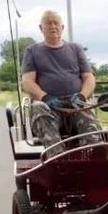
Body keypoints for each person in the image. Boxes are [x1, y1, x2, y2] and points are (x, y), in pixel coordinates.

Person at [20, 10, 102, 153]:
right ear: (41, 28)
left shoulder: (75, 49)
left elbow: (89, 78)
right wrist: (46, 98)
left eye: (56, 23)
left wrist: (82, 96)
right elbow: (27, 82)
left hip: (76, 104)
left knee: (87, 109)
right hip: (49, 107)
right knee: (39, 107)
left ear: (62, 27)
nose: (53, 26)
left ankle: (92, 155)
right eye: (48, 23)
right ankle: (56, 158)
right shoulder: (32, 51)